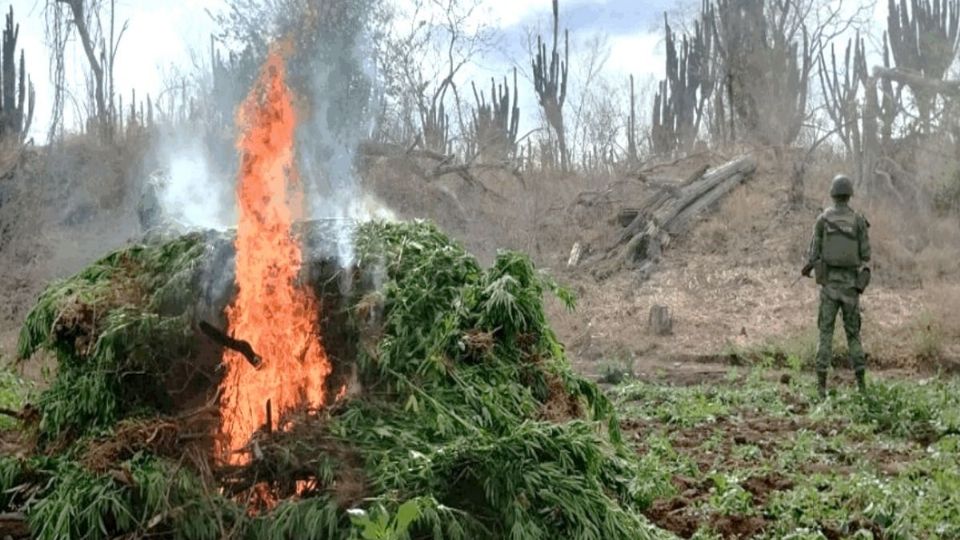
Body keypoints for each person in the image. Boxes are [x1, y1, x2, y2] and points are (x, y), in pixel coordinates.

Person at [801, 174, 871, 398]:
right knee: (854, 336)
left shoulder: (823, 220)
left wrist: (809, 267)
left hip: (829, 287)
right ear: (849, 195)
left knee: (825, 335)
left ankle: (821, 388)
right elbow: (866, 254)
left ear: (833, 194)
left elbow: (813, 254)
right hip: (851, 288)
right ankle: (861, 387)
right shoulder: (858, 220)